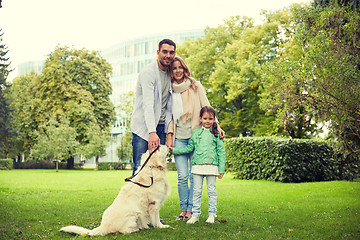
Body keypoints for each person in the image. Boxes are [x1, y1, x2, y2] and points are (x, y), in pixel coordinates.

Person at [166, 57, 224, 221]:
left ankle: (192, 211)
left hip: (195, 137)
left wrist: (217, 125)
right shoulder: (170, 90)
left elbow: (207, 106)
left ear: (185, 69)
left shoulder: (195, 86)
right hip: (179, 138)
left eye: (180, 68)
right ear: (171, 71)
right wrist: (170, 136)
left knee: (193, 176)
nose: (178, 71)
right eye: (174, 68)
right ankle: (183, 210)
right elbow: (169, 116)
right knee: (182, 176)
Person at [169, 106, 225, 224]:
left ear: (214, 119)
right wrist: (174, 151)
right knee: (196, 191)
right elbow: (189, 148)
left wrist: (221, 170)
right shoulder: (195, 133)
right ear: (200, 119)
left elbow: (221, 152)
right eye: (205, 118)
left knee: (211, 191)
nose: (207, 121)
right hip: (197, 167)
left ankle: (212, 214)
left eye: (210, 119)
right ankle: (195, 214)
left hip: (212, 167)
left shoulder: (216, 134)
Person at [130, 39, 176, 175]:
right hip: (143, 128)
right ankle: (135, 197)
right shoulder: (148, 72)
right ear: (158, 52)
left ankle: (153, 197)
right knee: (140, 168)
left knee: (157, 170)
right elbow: (148, 105)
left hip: (161, 127)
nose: (168, 55)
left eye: (171, 52)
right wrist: (152, 132)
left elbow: (170, 106)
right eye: (165, 51)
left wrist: (169, 134)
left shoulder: (170, 74)